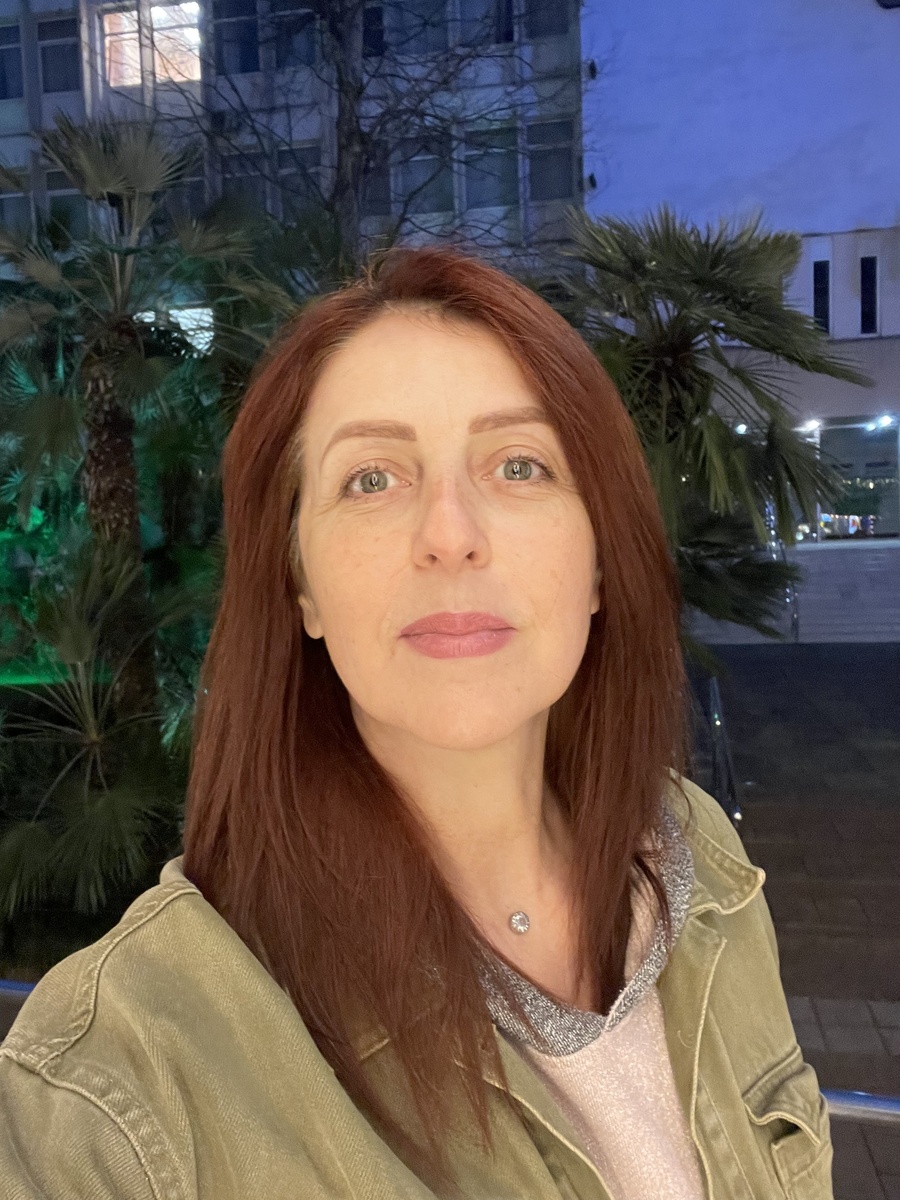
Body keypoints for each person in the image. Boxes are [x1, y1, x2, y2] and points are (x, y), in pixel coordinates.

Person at [0, 245, 833, 1199]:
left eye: (519, 465)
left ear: (601, 562)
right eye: (372, 479)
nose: (449, 534)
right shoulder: (121, 1079)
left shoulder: (699, 859)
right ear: (300, 583)